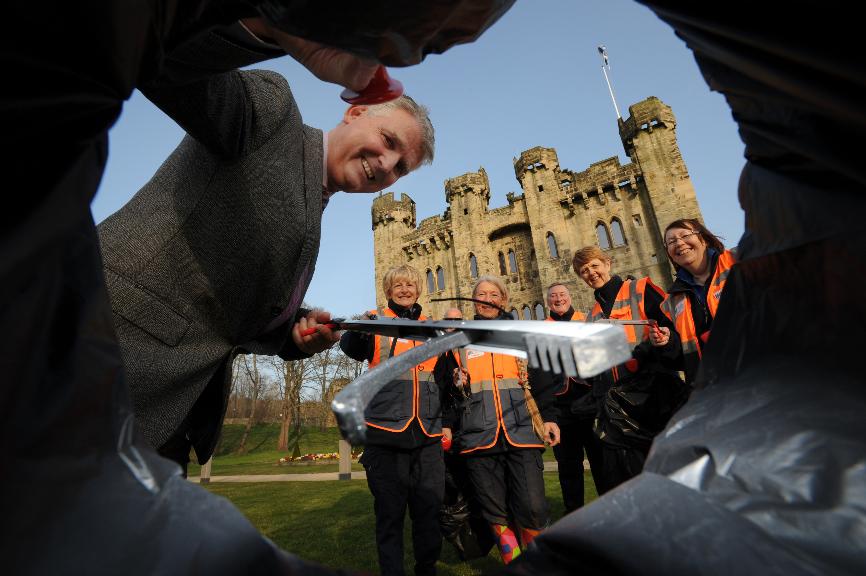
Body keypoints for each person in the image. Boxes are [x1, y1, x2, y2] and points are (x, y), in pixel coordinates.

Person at [340, 265, 448, 576]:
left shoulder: (432, 328)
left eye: (410, 284)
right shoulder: (376, 322)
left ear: (418, 289)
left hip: (427, 434)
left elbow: (440, 379)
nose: (404, 289)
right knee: (390, 515)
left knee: (428, 513)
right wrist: (360, 327)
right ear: (389, 292)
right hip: (385, 435)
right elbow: (350, 347)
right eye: (397, 285)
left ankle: (426, 569)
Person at [446, 275, 560, 565]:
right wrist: (455, 382)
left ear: (503, 300)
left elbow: (544, 381)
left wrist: (550, 418)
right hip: (478, 436)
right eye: (480, 294)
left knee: (532, 506)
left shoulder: (521, 334)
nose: (486, 298)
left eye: (493, 294)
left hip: (521, 430)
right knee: (493, 508)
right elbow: (446, 388)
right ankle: (516, 563)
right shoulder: (461, 338)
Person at [572, 246, 686, 493]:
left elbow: (676, 333)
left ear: (607, 263)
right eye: (584, 271)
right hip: (616, 408)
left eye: (594, 266)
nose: (591, 273)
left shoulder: (641, 289)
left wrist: (663, 342)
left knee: (668, 478)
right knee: (628, 485)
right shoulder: (592, 317)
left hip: (655, 399)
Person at [655, 219, 736, 386]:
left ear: (703, 239)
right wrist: (668, 341)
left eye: (685, 235)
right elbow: (681, 359)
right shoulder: (670, 303)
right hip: (712, 389)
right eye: (671, 241)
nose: (678, 242)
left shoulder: (738, 260)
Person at [543, 283, 602, 513]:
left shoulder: (586, 321)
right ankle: (574, 514)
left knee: (602, 462)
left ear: (570, 297)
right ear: (548, 301)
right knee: (568, 467)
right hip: (561, 408)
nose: (558, 299)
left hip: (591, 402)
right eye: (554, 296)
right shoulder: (542, 329)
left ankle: (610, 513)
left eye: (562, 295)